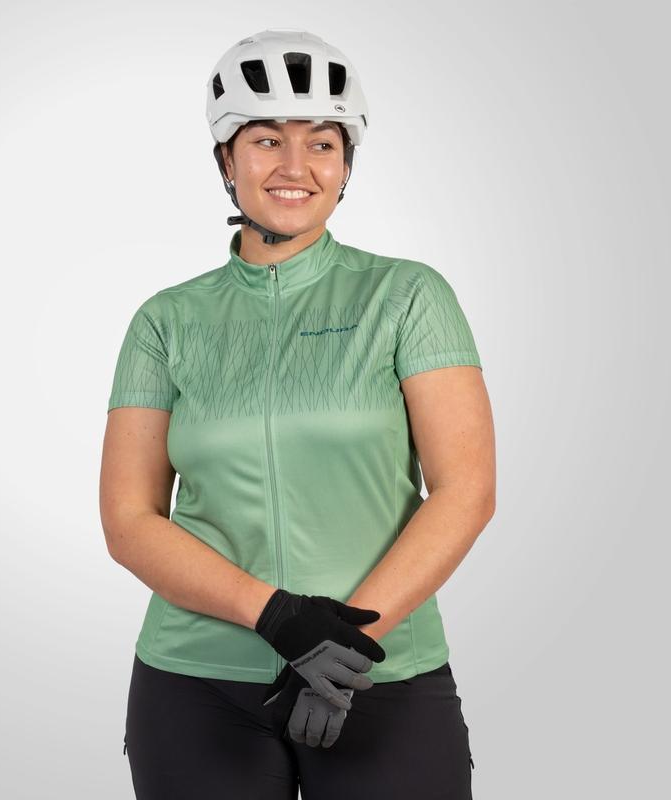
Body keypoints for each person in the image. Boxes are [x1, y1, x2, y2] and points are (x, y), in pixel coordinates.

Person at [100, 29, 496, 800]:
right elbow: (129, 519)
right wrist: (281, 619)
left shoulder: (409, 297)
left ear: (345, 165)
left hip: (380, 676)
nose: (295, 166)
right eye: (265, 140)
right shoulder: (165, 322)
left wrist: (342, 649)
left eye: (321, 143)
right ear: (226, 159)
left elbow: (465, 490)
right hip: (197, 684)